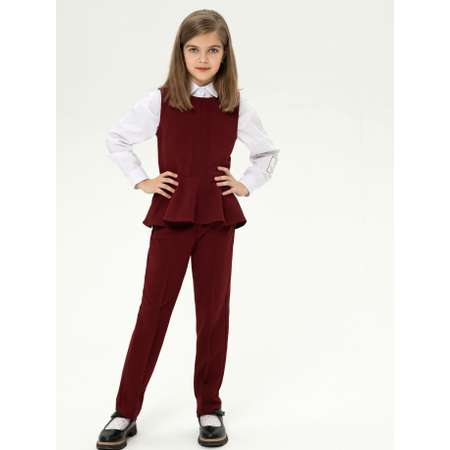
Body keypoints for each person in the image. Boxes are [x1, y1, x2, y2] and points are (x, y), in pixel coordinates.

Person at [96, 8, 279, 449]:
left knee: (212, 315)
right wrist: (142, 179)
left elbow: (266, 153)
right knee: (152, 312)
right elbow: (117, 139)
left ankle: (209, 407)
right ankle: (125, 410)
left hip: (217, 221)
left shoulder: (236, 104)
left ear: (225, 54)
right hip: (172, 218)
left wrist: (245, 184)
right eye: (194, 50)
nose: (202, 58)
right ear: (180, 52)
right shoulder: (159, 101)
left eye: (212, 50)